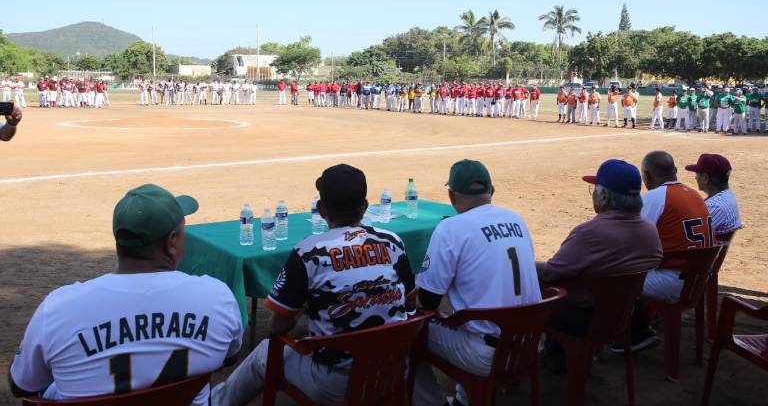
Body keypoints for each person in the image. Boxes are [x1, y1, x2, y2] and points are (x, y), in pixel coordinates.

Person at [9, 184, 243, 404]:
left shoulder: (58, 308)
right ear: (172, 242)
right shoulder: (216, 297)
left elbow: (21, 386)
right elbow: (229, 357)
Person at [212, 165, 416, 406]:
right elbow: (411, 303)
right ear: (365, 206)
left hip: (335, 384)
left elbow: (277, 326)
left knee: (264, 352)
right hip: (392, 372)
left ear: (321, 209)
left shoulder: (308, 251)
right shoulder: (392, 241)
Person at [413, 160, 541, 406]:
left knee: (407, 334)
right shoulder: (516, 219)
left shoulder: (450, 227)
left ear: (451, 195)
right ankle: (465, 399)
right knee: (473, 311)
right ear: (492, 191)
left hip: (485, 353)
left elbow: (428, 300)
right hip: (527, 344)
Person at [539, 159, 662, 369]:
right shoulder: (650, 231)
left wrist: (527, 267)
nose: (593, 195)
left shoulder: (589, 233)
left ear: (604, 196)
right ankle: (558, 355)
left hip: (583, 319)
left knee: (534, 286)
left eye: (594, 190)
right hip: (622, 317)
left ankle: (538, 357)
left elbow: (551, 273)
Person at [623, 151, 713, 350]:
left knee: (617, 277)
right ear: (675, 171)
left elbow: (633, 240)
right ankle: (642, 323)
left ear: (646, 176)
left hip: (672, 283)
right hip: (696, 280)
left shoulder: (656, 197)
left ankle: (633, 333)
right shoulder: (694, 194)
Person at [685, 154, 743, 238]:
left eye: (697, 174)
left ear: (705, 178)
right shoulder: (728, 195)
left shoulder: (714, 206)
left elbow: (686, 234)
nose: (696, 178)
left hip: (701, 250)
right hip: (715, 249)